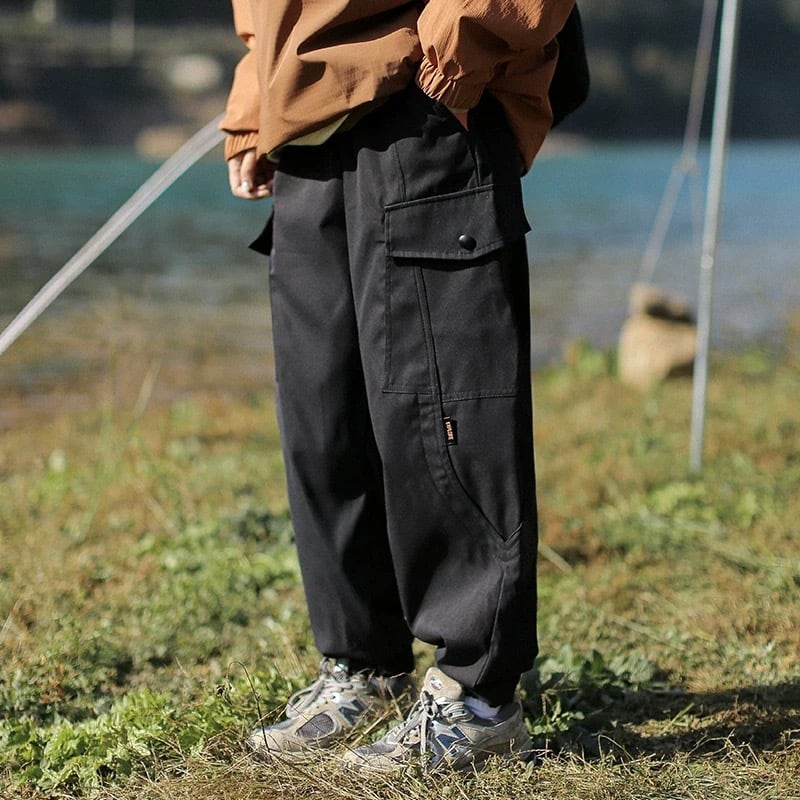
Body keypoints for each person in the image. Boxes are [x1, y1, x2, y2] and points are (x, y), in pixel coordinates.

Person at [221, 0, 577, 774]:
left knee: (442, 410)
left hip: (421, 98)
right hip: (304, 119)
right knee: (325, 417)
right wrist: (255, 104)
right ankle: (362, 666)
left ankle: (477, 697)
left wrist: (458, 47)